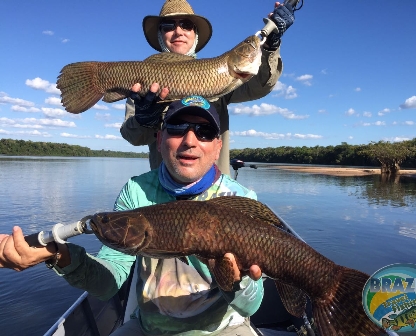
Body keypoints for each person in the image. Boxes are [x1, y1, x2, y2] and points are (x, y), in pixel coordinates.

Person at [0, 95, 263, 336]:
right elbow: (108, 283)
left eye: (204, 132)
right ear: (159, 140)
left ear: (217, 148)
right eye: (177, 128)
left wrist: (234, 282)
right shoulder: (136, 191)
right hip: (149, 328)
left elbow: (251, 305)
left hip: (221, 328)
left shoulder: (240, 200)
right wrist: (59, 255)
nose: (190, 140)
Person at [121, 0, 295, 175]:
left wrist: (270, 45)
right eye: (168, 26)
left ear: (195, 34)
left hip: (214, 192)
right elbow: (133, 137)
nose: (178, 31)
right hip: (163, 190)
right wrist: (143, 121)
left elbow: (260, 86)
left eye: (186, 25)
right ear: (160, 34)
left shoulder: (223, 74)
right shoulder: (144, 82)